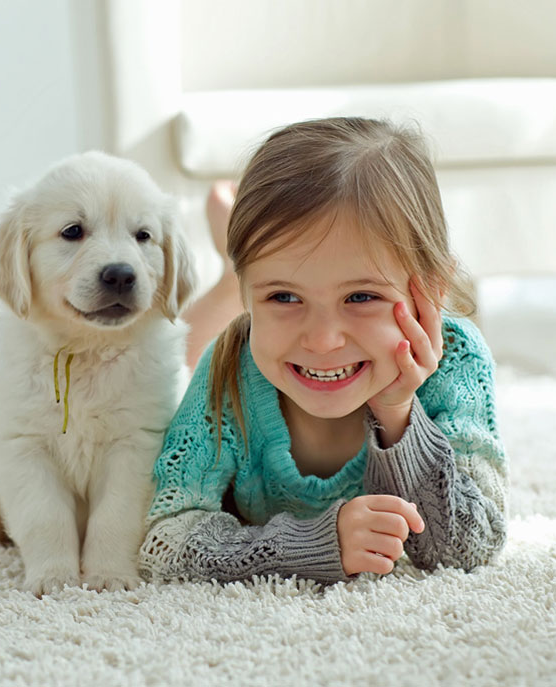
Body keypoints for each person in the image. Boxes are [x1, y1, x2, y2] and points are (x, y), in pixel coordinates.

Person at [139, 117, 507, 584]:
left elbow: (470, 548)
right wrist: (312, 544)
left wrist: (398, 415)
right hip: (239, 330)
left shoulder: (457, 359)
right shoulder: (228, 370)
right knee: (173, 355)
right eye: (284, 296)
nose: (322, 340)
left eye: (360, 297)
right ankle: (230, 274)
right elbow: (164, 541)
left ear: (429, 290)